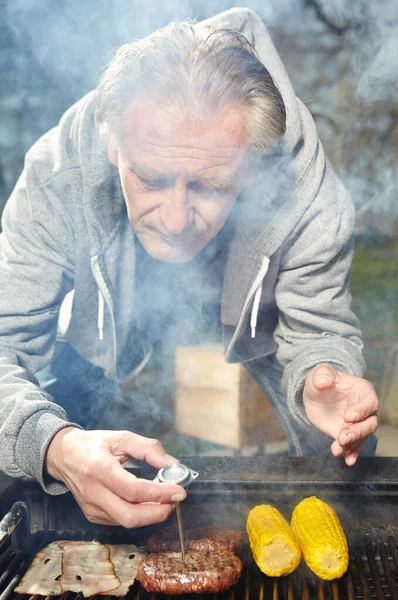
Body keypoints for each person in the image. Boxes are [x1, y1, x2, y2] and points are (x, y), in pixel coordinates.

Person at [0, 8, 378, 527]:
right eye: (152, 179)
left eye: (209, 185)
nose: (176, 221)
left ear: (251, 167)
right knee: (22, 440)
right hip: (103, 315)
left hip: (255, 310)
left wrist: (324, 374)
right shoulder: (57, 175)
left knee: (334, 458)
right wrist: (54, 445)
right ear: (115, 145)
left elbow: (320, 332)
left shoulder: (308, 193)